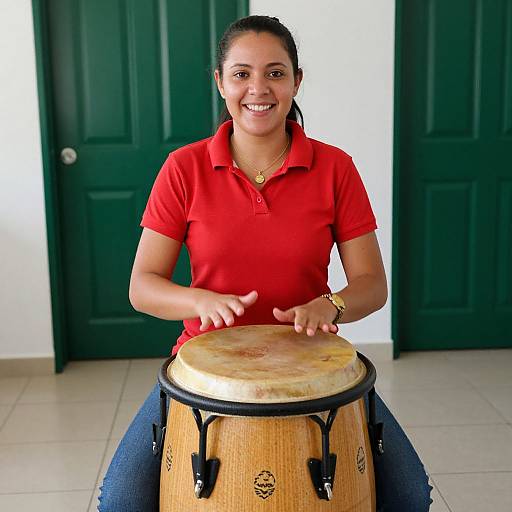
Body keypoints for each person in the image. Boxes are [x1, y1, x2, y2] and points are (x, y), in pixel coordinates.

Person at [97, 15, 432, 512]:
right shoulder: (183, 168)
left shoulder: (335, 167)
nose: (258, 88)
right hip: (204, 371)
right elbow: (142, 287)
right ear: (220, 82)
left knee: (408, 497)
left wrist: (332, 304)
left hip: (315, 370)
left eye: (275, 73)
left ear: (297, 81)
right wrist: (199, 300)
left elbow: (372, 284)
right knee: (120, 503)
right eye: (241, 74)